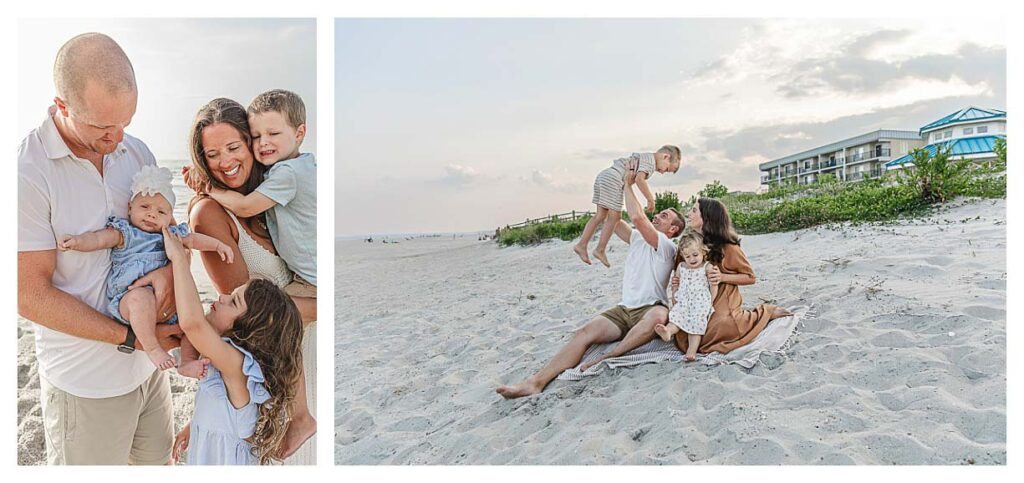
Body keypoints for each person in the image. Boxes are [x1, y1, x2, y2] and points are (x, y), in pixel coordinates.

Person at [18, 32, 180, 465]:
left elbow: (162, 238)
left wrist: (166, 277)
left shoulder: (136, 150)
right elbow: (27, 295)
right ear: (62, 106)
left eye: (125, 121)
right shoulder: (27, 171)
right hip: (85, 382)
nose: (117, 136)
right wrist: (131, 337)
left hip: (149, 372)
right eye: (103, 127)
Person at [183, 97, 316, 462]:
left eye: (233, 147)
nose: (225, 162)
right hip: (276, 368)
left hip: (302, 351)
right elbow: (246, 320)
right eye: (212, 154)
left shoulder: (267, 199)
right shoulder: (209, 213)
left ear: (251, 144)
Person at [497, 160, 686, 398]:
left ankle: (611, 354)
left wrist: (629, 184)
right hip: (625, 308)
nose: (658, 215)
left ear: (673, 230)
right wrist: (615, 184)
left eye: (665, 216)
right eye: (660, 213)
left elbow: (638, 217)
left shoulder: (666, 246)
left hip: (650, 307)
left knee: (660, 315)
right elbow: (614, 220)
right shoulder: (638, 238)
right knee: (585, 332)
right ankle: (535, 382)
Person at [57, 166, 233, 372]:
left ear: (169, 217)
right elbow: (99, 238)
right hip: (129, 300)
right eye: (145, 207)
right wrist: (77, 241)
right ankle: (152, 348)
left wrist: (218, 245)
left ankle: (186, 361)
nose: (151, 215)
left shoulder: (170, 234)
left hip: (167, 304)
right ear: (130, 207)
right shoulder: (126, 233)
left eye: (161, 212)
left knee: (191, 322)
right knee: (141, 297)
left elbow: (193, 239)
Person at [162, 226, 304, 465]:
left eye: (233, 301)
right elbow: (223, 411)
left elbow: (193, 324)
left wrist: (179, 260)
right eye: (231, 294)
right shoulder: (229, 363)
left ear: (251, 328)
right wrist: (194, 425)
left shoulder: (238, 365)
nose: (222, 297)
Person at [204, 89, 317, 297]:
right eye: (256, 136)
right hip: (310, 275)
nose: (263, 142)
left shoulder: (287, 173)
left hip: (311, 280)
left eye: (273, 134)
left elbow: (245, 207)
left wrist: (208, 187)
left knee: (270, 313)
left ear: (299, 133)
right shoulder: (304, 164)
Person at [671, 198, 792, 356]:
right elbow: (681, 272)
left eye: (694, 210)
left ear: (707, 217)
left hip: (721, 296)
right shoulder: (688, 244)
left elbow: (750, 277)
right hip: (692, 297)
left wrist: (722, 277)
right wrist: (677, 282)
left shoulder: (728, 247)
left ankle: (765, 313)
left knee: (720, 327)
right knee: (683, 333)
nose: (689, 214)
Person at [574, 145, 681, 267]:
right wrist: (650, 199)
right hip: (614, 179)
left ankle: (581, 245)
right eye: (666, 169)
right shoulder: (650, 163)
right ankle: (600, 249)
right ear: (666, 156)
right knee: (615, 218)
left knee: (600, 215)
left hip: (604, 175)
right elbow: (640, 180)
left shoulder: (644, 157)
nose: (662, 172)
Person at [654, 229, 718, 361]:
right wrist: (674, 297)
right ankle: (668, 332)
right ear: (683, 256)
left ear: (703, 252)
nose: (692, 259)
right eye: (687, 256)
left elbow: (714, 285)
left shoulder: (707, 267)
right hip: (683, 299)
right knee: (677, 318)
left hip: (700, 301)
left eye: (695, 255)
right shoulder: (681, 266)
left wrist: (711, 302)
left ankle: (691, 351)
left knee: (696, 324)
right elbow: (676, 283)